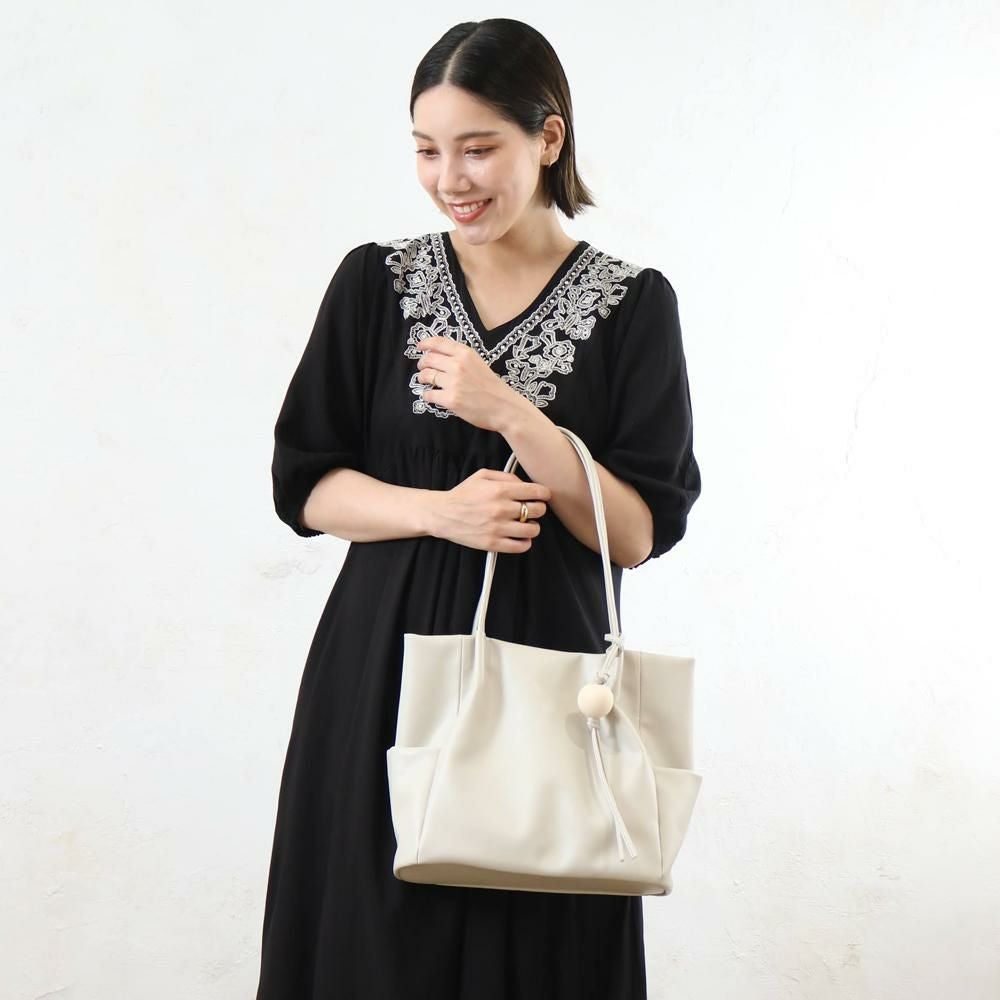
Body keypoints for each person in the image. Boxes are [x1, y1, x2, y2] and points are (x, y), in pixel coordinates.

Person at [255, 17, 702, 1000]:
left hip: (553, 684)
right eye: (427, 150)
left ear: (548, 138)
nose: (449, 177)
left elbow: (634, 532)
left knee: (540, 943)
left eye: (477, 147)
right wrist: (439, 512)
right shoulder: (373, 284)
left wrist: (509, 411)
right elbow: (307, 484)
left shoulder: (635, 306)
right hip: (380, 671)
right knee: (373, 942)